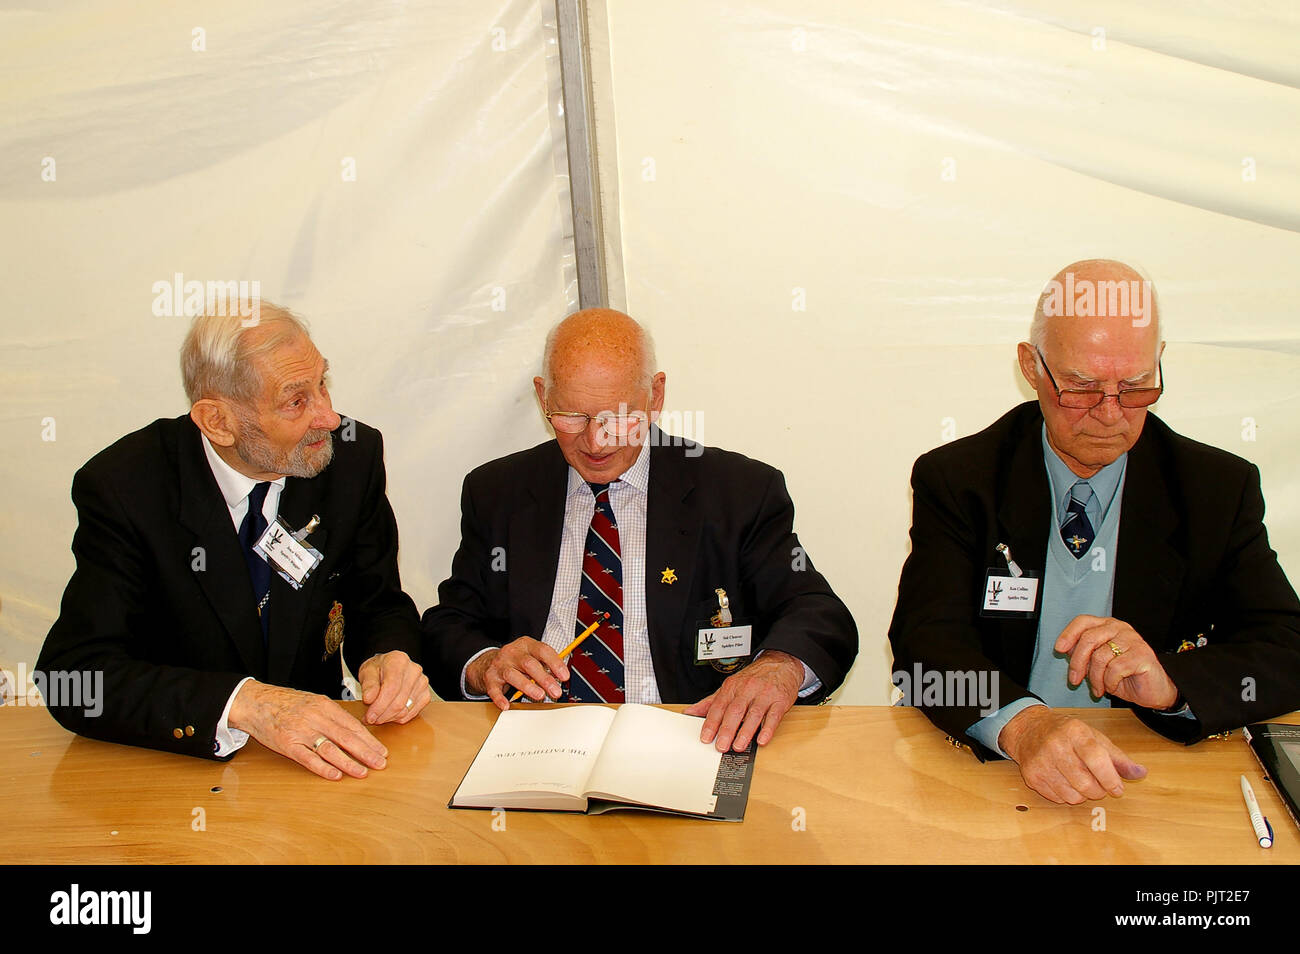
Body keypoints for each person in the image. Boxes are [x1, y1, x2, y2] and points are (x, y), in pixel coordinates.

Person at [889, 259, 1300, 804]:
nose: (1110, 414)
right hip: (990, 768)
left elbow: (1287, 649)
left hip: (1150, 769)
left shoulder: (1216, 489)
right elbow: (922, 653)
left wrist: (1173, 681)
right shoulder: (961, 479)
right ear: (1031, 366)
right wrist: (1024, 726)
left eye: (1134, 388)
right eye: (1082, 388)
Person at [423, 308, 857, 752]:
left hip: (689, 738)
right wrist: (487, 663)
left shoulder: (738, 492)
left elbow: (818, 613)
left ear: (656, 396)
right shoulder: (498, 491)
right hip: (533, 740)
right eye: (572, 416)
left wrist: (778, 665)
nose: (596, 442)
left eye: (618, 417)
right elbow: (449, 624)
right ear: (542, 398)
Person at [37, 303, 430, 780]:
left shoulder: (350, 458)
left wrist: (388, 656)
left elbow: (377, 602)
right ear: (217, 421)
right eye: (296, 401)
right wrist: (243, 702)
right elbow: (73, 679)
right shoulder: (126, 488)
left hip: (317, 768)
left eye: (322, 383)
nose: (329, 417)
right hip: (177, 770)